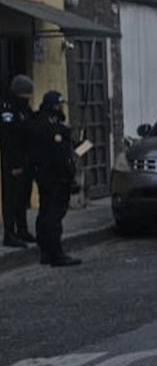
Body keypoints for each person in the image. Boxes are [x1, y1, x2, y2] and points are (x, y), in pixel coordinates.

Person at [30, 91, 81, 266]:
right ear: (54, 106)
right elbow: (61, 155)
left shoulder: (42, 122)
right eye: (59, 105)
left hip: (45, 176)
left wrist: (81, 146)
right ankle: (56, 254)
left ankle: (45, 252)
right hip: (55, 178)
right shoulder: (52, 127)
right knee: (53, 218)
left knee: (45, 215)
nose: (61, 108)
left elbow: (71, 149)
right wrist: (69, 176)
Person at [1, 75, 36, 248]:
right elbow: (9, 138)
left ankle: (22, 229)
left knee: (22, 197)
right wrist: (15, 165)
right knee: (11, 198)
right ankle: (9, 233)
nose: (28, 99)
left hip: (25, 159)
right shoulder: (9, 111)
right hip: (13, 161)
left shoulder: (25, 110)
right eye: (26, 95)